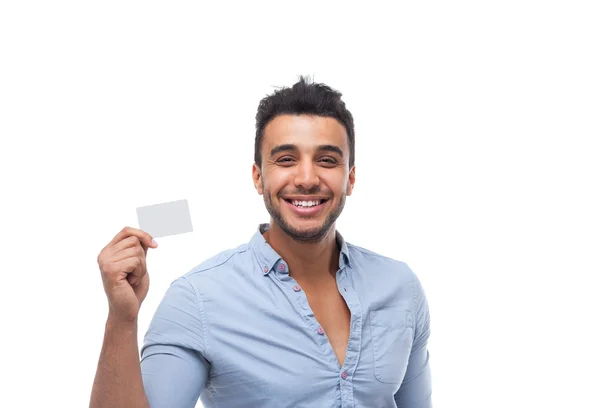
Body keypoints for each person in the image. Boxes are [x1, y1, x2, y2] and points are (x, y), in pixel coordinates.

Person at [90, 76, 432, 408]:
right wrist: (121, 319)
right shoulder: (198, 300)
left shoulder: (400, 288)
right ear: (258, 177)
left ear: (350, 179)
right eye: (286, 159)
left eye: (327, 160)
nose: (307, 178)